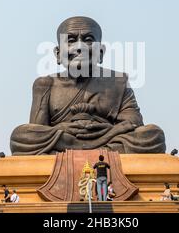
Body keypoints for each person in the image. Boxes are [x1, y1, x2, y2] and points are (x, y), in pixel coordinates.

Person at [10, 16, 166, 155]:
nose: (80, 47)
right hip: (68, 139)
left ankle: (73, 152)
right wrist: (61, 129)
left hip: (105, 138)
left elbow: (133, 123)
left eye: (88, 39)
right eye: (70, 40)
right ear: (58, 53)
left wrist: (109, 131)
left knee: (153, 134)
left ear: (101, 53)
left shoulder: (118, 81)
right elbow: (38, 130)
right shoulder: (45, 84)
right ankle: (99, 153)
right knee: (21, 135)